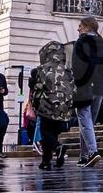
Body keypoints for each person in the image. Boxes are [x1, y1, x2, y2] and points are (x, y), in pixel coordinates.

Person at [71, 16, 103, 167]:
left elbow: (76, 66)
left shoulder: (80, 43)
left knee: (84, 120)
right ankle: (84, 155)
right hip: (99, 88)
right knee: (88, 122)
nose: (78, 28)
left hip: (84, 86)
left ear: (88, 27)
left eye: (80, 25)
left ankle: (93, 152)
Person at [29, 41, 75, 170]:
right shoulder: (67, 70)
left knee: (45, 133)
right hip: (64, 108)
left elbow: (37, 88)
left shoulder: (42, 69)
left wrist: (35, 104)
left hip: (47, 105)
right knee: (53, 133)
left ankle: (58, 147)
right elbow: (73, 89)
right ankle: (46, 161)